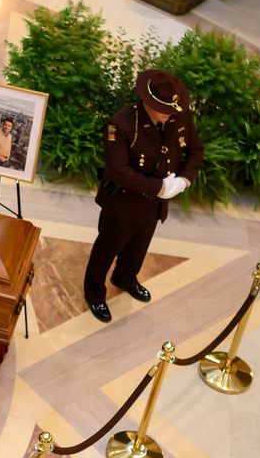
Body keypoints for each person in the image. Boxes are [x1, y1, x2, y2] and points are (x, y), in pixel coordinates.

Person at [83, 69, 203, 323]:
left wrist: (183, 180)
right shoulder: (122, 124)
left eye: (171, 109)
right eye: (161, 109)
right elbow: (119, 170)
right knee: (107, 248)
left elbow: (195, 150)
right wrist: (158, 188)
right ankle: (94, 293)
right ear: (147, 102)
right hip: (122, 204)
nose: (168, 115)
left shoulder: (179, 117)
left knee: (139, 246)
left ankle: (125, 277)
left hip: (154, 205)